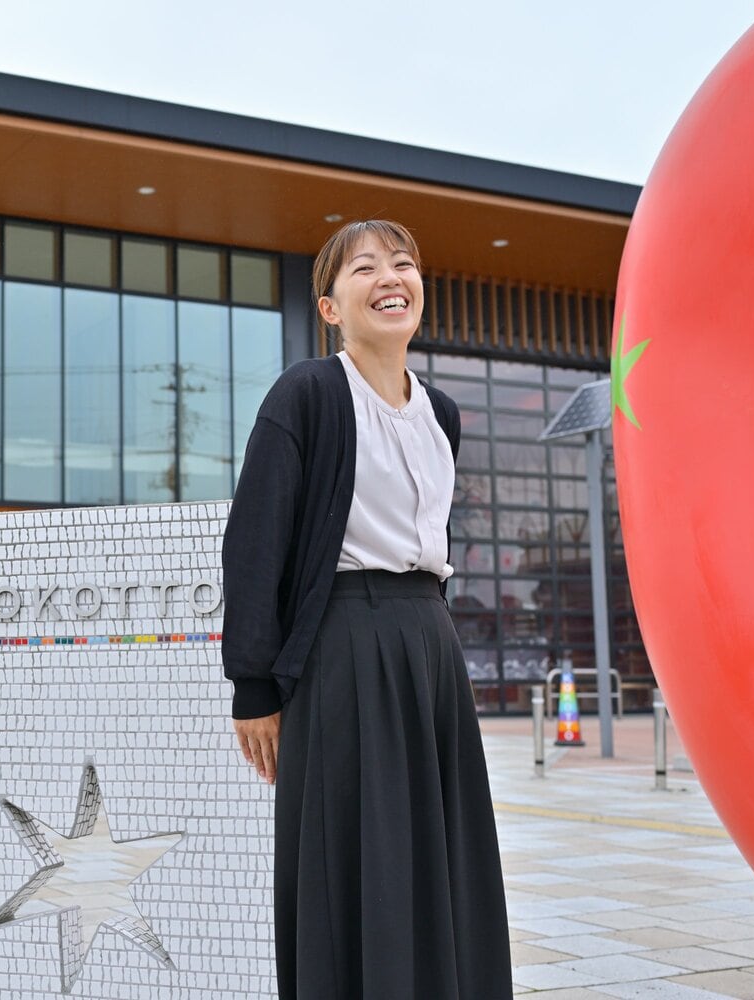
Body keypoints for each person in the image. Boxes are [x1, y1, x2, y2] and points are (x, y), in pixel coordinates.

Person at [222, 220, 510, 998]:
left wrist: (432, 641)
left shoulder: (440, 413)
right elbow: (256, 541)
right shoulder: (310, 394)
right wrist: (254, 685)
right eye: (366, 268)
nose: (391, 276)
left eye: (405, 263)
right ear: (329, 308)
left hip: (429, 643)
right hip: (346, 647)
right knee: (357, 857)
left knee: (440, 853)